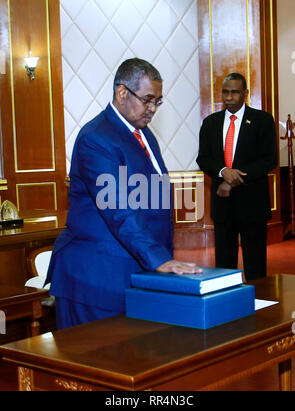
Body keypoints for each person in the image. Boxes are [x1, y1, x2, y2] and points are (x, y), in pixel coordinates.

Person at [45, 58, 201, 329]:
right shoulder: (97, 138)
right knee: (95, 365)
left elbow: (154, 197)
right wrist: (159, 258)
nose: (153, 109)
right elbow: (118, 209)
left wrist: (161, 257)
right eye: (147, 99)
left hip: (134, 269)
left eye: (158, 102)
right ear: (121, 93)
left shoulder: (144, 134)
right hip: (96, 278)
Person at [196, 73, 277, 281]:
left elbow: (269, 160)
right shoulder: (210, 123)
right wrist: (224, 172)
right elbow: (203, 159)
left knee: (256, 266)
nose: (229, 97)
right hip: (223, 207)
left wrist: (231, 181)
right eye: (225, 92)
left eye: (234, 92)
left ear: (245, 94)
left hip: (253, 205)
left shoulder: (262, 120)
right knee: (224, 266)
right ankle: (226, 307)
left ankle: (260, 304)